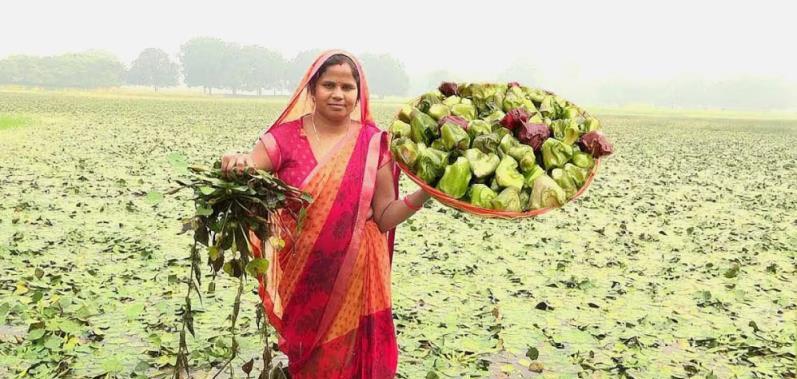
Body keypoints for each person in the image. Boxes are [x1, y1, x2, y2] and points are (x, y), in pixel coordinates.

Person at [220, 50, 430, 378]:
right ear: (311, 90)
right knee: (312, 365)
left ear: (359, 95)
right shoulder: (283, 140)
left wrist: (424, 193)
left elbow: (385, 216)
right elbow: (248, 170)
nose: (337, 94)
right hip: (303, 279)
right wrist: (235, 163)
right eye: (328, 85)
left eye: (347, 87)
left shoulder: (374, 143)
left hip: (357, 280)